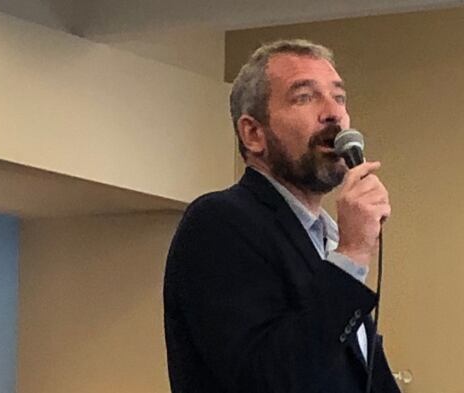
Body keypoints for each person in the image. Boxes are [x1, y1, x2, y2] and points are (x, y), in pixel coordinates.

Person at [163, 39, 400, 393]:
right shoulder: (218, 224)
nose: (333, 113)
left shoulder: (325, 242)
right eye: (304, 97)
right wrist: (351, 257)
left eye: (339, 97)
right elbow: (267, 379)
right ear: (254, 133)